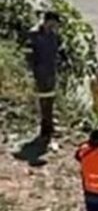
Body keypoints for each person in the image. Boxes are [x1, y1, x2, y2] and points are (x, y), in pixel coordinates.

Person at [26, 11, 64, 139]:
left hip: (51, 70)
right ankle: (45, 127)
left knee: (50, 99)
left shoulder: (53, 35)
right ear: (49, 21)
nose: (56, 26)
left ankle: (49, 125)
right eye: (55, 22)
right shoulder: (34, 34)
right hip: (40, 72)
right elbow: (28, 54)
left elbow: (57, 52)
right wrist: (32, 72)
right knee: (43, 100)